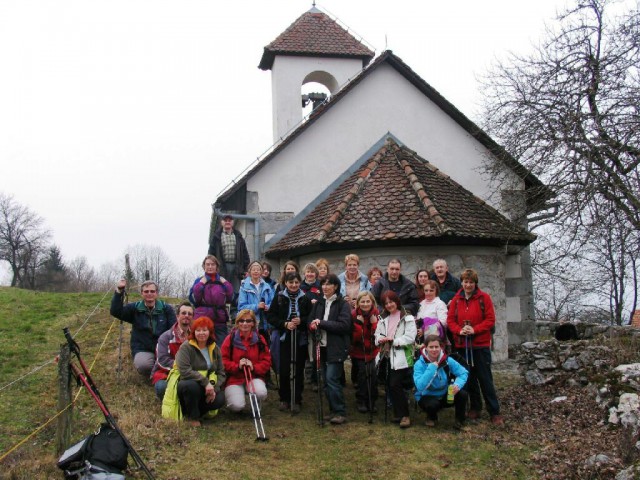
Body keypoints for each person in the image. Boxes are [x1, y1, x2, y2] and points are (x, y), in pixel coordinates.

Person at [447, 268, 503, 425]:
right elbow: (450, 320)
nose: (468, 285)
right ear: (462, 283)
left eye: (471, 282)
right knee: (469, 378)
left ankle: (494, 411)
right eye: (465, 282)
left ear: (475, 283)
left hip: (480, 344)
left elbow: (490, 319)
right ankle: (475, 407)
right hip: (462, 344)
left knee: (485, 379)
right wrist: (459, 330)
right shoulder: (457, 299)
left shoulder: (483, 298)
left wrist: (474, 329)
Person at [309, 274, 352, 424]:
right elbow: (311, 320)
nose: (325, 287)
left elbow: (344, 325)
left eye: (329, 284)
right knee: (325, 382)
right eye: (323, 284)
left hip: (336, 347)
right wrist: (312, 325)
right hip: (321, 347)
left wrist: (322, 323)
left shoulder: (342, 304)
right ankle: (333, 410)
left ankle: (340, 411)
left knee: (332, 379)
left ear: (335, 286)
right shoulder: (319, 303)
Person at [110, 279, 176, 377]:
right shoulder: (134, 308)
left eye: (152, 291)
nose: (149, 294)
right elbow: (115, 311)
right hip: (142, 348)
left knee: (174, 362)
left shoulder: (166, 309)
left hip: (163, 347)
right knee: (143, 365)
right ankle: (157, 371)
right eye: (146, 291)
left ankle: (163, 371)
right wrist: (119, 291)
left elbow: (173, 329)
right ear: (141, 293)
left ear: (156, 293)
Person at [267, 272, 311, 413]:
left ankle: (297, 399)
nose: (293, 285)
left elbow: (310, 316)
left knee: (298, 370)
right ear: (285, 283)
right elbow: (271, 316)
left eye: (296, 282)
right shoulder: (279, 297)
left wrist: (301, 321)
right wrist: (284, 324)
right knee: (284, 370)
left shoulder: (305, 298)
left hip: (300, 338)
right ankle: (284, 398)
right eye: (290, 282)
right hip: (284, 338)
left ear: (300, 283)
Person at [375, 291, 417, 428]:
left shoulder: (407, 317)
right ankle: (399, 413)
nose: (389, 305)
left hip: (401, 357)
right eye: (386, 303)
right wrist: (380, 339)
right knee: (389, 385)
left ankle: (405, 415)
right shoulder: (382, 318)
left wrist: (394, 341)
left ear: (396, 301)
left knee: (395, 385)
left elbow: (410, 337)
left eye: (391, 301)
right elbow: (377, 334)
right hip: (386, 355)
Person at [175, 316, 226, 427]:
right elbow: (184, 370)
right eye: (198, 330)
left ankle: (199, 412)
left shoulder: (215, 348)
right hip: (189, 383)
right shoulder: (186, 347)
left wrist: (214, 389)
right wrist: (205, 382)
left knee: (220, 398)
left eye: (204, 330)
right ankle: (192, 417)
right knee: (190, 387)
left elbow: (221, 372)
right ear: (194, 332)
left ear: (210, 332)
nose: (201, 333)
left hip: (209, 387)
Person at [413, 334, 468, 429]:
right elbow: (420, 386)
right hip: (426, 396)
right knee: (432, 405)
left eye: (436, 347)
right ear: (425, 348)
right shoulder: (419, 364)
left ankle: (459, 421)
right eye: (431, 347)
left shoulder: (447, 360)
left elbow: (463, 373)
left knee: (462, 394)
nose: (434, 350)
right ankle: (432, 417)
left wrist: (457, 385)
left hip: (445, 393)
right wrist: (432, 368)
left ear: (441, 347)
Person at [221, 310, 271, 413]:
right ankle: (237, 399)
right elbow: (222, 361)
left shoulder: (260, 339)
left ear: (253, 323)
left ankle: (256, 402)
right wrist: (236, 366)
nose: (245, 323)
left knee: (261, 392)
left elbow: (266, 361)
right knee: (236, 406)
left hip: (254, 376)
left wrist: (254, 367)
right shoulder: (230, 339)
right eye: (241, 321)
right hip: (234, 379)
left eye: (248, 321)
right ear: (237, 322)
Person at [151, 301, 193, 399]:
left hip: (189, 373)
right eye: (183, 313)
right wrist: (183, 367)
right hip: (165, 373)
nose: (187, 316)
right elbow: (162, 360)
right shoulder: (165, 337)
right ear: (177, 316)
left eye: (190, 314)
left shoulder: (195, 337)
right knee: (162, 387)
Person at [189, 255, 234, 346]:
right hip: (202, 319)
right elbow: (194, 298)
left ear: (217, 267)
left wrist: (225, 282)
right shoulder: (199, 281)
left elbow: (231, 297)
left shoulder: (222, 281)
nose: (210, 267)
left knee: (221, 347)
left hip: (219, 320)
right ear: (204, 266)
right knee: (201, 346)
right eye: (207, 264)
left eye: (212, 264)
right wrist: (202, 283)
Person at [350, 291, 379, 414]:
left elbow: (377, 335)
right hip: (358, 351)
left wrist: (374, 324)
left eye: (368, 301)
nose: (365, 304)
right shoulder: (353, 315)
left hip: (372, 351)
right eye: (363, 301)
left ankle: (371, 400)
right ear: (358, 303)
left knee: (372, 375)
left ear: (372, 302)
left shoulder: (376, 314)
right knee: (362, 375)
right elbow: (354, 338)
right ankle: (361, 400)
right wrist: (359, 324)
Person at [208, 214, 250, 295]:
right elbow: (211, 254)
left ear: (233, 222)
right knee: (221, 290)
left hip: (237, 268)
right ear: (221, 222)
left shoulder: (239, 236)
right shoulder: (216, 237)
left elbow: (245, 253)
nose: (227, 222)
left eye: (229, 220)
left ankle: (234, 307)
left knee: (236, 291)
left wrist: (246, 269)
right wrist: (212, 267)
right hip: (221, 268)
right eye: (225, 220)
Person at [237, 261, 275, 337]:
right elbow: (241, 307)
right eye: (253, 269)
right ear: (250, 272)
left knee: (265, 345)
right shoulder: (244, 287)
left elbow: (274, 303)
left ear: (261, 272)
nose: (256, 271)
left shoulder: (267, 286)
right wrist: (257, 306)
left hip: (266, 322)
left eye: (258, 269)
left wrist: (268, 306)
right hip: (250, 322)